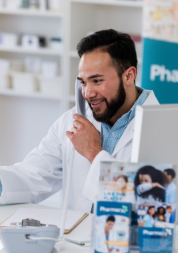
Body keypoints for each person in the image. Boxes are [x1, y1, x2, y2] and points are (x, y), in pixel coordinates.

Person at [0, 29, 159, 212]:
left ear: (129, 75)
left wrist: (94, 153)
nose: (87, 93)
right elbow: (33, 175)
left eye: (97, 81)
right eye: (83, 82)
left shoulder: (164, 129)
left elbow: (149, 207)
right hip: (73, 240)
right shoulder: (71, 120)